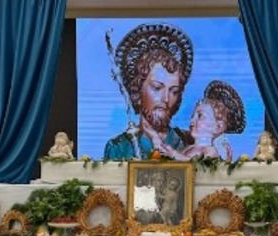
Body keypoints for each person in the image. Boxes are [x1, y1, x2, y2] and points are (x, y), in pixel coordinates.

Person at [103, 23, 194, 160]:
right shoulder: (119, 147)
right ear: (137, 91)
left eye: (174, 91)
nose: (166, 99)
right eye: (157, 88)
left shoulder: (188, 142)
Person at [152, 80, 246, 162]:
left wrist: (174, 155)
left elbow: (199, 166)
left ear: (218, 127)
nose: (192, 120)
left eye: (200, 116)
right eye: (193, 116)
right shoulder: (187, 147)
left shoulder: (210, 150)